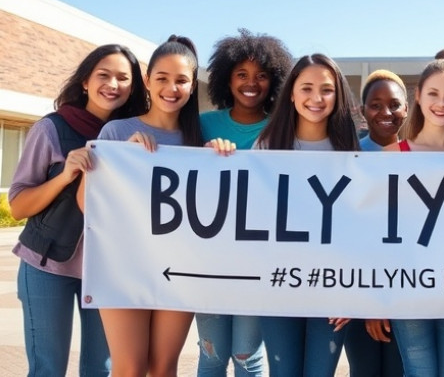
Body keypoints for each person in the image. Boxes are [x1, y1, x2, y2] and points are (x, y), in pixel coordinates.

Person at [10, 44, 146, 377]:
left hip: (107, 271)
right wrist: (65, 176)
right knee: (47, 368)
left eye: (122, 78)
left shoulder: (133, 134)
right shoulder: (51, 128)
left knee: (101, 369)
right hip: (47, 265)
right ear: (85, 81)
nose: (112, 84)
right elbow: (17, 205)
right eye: (104, 75)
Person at [90, 35, 204, 376]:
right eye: (163, 79)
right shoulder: (116, 131)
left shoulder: (198, 138)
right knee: (129, 368)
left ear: (192, 85)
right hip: (123, 264)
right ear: (147, 81)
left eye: (182, 80)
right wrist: (120, 157)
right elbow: (88, 206)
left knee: (164, 367)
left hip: (181, 265)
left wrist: (221, 155)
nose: (172, 88)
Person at [195, 29, 293, 376]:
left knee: (246, 356)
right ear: (226, 79)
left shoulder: (283, 127)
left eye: (261, 76)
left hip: (258, 261)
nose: (251, 83)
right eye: (241, 74)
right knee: (211, 354)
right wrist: (202, 157)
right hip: (209, 258)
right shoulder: (203, 124)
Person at [255, 53, 359, 376]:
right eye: (307, 88)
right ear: (291, 93)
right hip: (279, 285)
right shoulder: (268, 145)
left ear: (338, 94)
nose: (317, 98)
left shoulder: (350, 150)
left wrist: (351, 290)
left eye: (327, 90)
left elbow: (360, 229)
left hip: (332, 289)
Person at [383, 50, 444, 377]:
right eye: (434, 94)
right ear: (419, 96)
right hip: (407, 286)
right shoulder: (391, 156)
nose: (442, 103)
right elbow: (371, 228)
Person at [345, 69, 407, 377]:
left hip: (406, 295)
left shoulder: (420, 158)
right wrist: (370, 301)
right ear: (362, 110)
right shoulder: (348, 157)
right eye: (375, 104)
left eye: (394, 104)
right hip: (359, 295)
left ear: (406, 109)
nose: (386, 112)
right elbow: (346, 236)